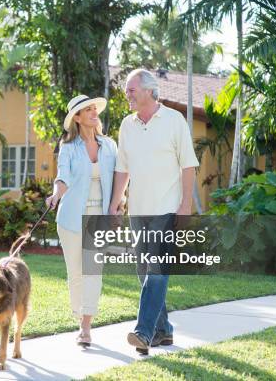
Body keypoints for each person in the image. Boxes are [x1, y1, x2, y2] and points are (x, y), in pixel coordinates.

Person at [108, 69, 199, 354]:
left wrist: (185, 206)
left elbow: (188, 166)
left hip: (167, 209)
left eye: (132, 89)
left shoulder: (174, 121)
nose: (127, 94)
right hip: (138, 211)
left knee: (157, 270)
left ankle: (144, 333)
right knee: (143, 271)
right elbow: (122, 167)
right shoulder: (127, 125)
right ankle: (163, 331)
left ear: (149, 90)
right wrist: (115, 202)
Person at [46, 94, 117, 347]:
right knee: (75, 273)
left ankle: (86, 327)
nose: (93, 112)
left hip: (99, 218)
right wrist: (55, 194)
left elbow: (120, 178)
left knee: (93, 271)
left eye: (94, 108)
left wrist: (118, 205)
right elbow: (62, 176)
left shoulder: (109, 145)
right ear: (77, 118)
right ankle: (79, 318)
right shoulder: (68, 147)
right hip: (71, 217)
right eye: (87, 110)